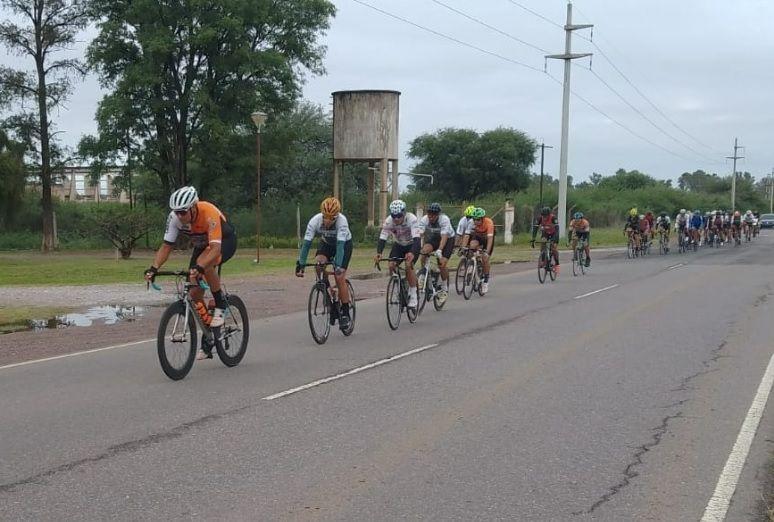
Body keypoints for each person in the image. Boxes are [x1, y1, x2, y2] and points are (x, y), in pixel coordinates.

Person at [144, 186, 237, 360]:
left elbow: (215, 249)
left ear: (193, 207)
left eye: (183, 212)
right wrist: (154, 267)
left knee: (205, 266)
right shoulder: (175, 218)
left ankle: (221, 303)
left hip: (224, 242)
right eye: (176, 212)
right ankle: (209, 334)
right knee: (194, 293)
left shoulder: (208, 212)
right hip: (202, 246)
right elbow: (166, 246)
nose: (179, 216)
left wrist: (201, 267)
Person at [295, 197, 353, 331]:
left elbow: (340, 246)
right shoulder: (315, 221)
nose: (327, 220)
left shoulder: (342, 222)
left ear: (336, 216)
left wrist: (338, 266)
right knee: (319, 265)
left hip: (344, 245)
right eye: (325, 217)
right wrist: (301, 264)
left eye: (331, 218)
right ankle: (329, 292)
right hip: (326, 243)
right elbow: (306, 244)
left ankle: (345, 312)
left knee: (339, 277)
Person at [374, 199, 421, 308]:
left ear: (404, 213)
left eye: (399, 215)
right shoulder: (389, 221)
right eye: (393, 216)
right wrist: (379, 253)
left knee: (408, 265)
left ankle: (413, 294)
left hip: (412, 244)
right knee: (391, 265)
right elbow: (382, 238)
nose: (396, 218)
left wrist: (412, 253)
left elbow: (417, 240)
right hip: (399, 245)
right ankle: (398, 286)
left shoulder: (411, 219)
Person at [417, 202, 455, 299]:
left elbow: (444, 236)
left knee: (442, 263)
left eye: (434, 214)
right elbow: (419, 234)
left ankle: (444, 286)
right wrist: (416, 247)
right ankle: (424, 274)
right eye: (429, 214)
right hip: (434, 238)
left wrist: (440, 250)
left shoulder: (444, 219)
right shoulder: (424, 219)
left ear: (438, 214)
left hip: (447, 239)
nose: (431, 216)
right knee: (424, 252)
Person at [462, 207, 495, 293]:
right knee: (471, 246)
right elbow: (466, 235)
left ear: (483, 219)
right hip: (478, 237)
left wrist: (487, 252)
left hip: (487, 239)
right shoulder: (471, 223)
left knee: (485, 258)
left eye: (478, 220)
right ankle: (472, 265)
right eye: (474, 219)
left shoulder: (489, 223)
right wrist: (463, 247)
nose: (476, 221)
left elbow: (490, 239)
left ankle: (485, 281)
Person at [531, 206, 560, 274]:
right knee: (543, 243)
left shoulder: (553, 218)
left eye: (546, 216)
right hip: (545, 233)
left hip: (554, 233)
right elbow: (535, 229)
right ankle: (543, 261)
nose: (544, 217)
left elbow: (557, 230)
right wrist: (533, 239)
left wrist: (555, 240)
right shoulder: (540, 218)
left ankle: (557, 264)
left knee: (553, 248)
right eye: (543, 215)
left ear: (549, 214)